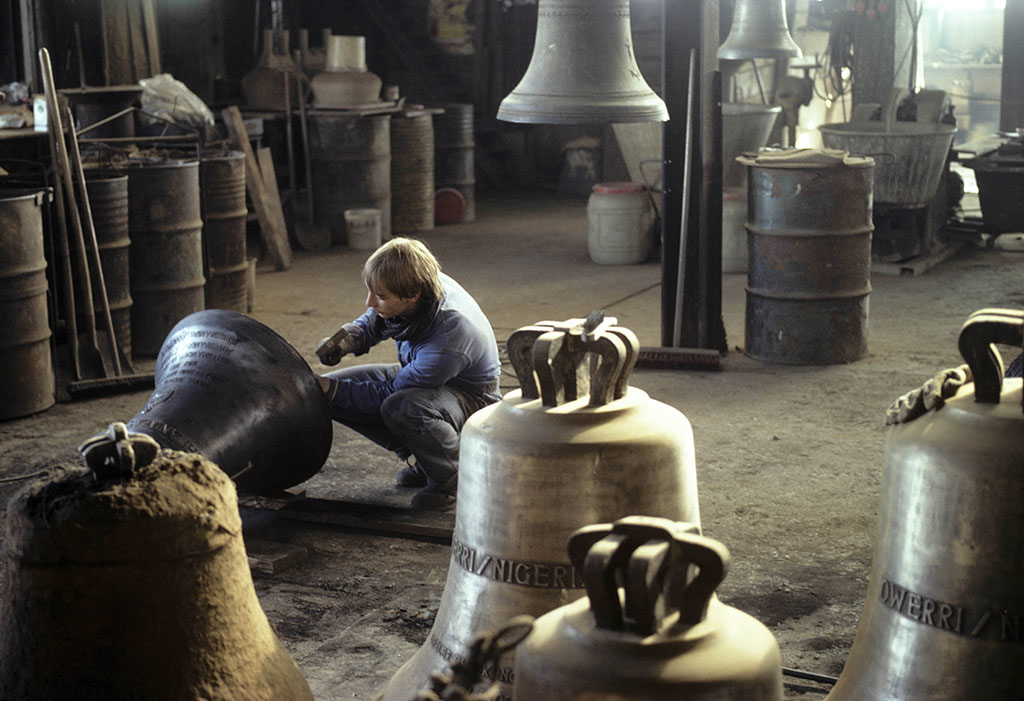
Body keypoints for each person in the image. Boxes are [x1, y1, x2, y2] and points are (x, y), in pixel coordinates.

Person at [315, 237, 501, 511]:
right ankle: (424, 460)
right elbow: (378, 318)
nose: (369, 302)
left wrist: (332, 390)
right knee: (326, 395)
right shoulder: (418, 284)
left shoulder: (450, 336)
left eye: (380, 296)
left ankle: (451, 481)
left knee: (400, 407)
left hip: (473, 400)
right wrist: (347, 339)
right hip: (425, 379)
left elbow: (390, 393)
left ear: (412, 295)